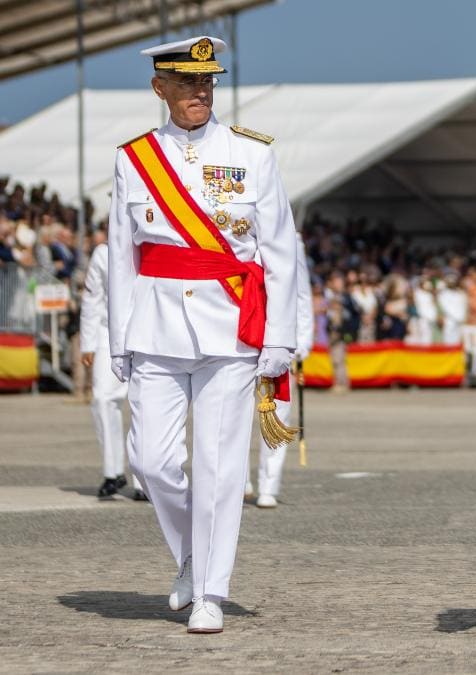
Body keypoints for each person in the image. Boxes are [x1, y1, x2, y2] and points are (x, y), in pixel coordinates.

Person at [107, 36, 298, 634]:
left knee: (219, 466)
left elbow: (281, 252)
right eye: (188, 84)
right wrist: (119, 338)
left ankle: (212, 589)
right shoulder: (133, 158)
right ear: (159, 87)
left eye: (208, 82)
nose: (200, 92)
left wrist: (279, 339)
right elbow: (121, 252)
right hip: (156, 323)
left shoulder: (253, 154)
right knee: (151, 461)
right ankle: (191, 553)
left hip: (230, 326)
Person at [79, 227, 147, 501]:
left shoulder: (152, 245)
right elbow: (92, 299)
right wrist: (88, 342)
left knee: (146, 404)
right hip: (109, 334)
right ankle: (112, 471)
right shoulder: (103, 253)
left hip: (147, 331)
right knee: (102, 399)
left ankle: (144, 479)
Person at [246, 232, 313, 508]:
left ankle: (269, 485)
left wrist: (302, 341)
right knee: (231, 413)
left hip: (276, 338)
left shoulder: (290, 240)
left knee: (275, 414)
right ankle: (238, 480)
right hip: (239, 333)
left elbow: (301, 294)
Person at [437, 271, 468, 345]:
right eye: (450, 282)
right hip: (449, 320)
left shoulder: (460, 294)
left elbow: (463, 307)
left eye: (453, 282)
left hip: (459, 321)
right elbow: (445, 307)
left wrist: (461, 317)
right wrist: (455, 316)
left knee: (457, 341)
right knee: (447, 341)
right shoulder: (443, 294)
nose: (452, 283)